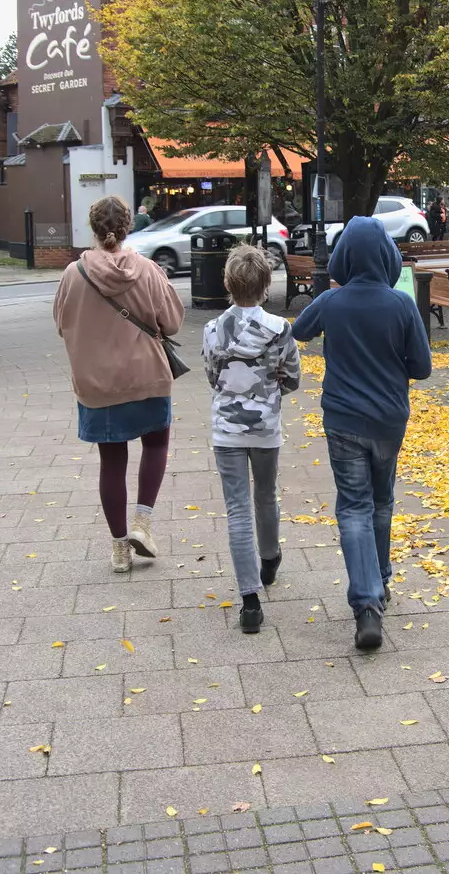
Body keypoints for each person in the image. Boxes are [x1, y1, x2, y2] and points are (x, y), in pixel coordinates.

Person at [293, 217, 433, 651]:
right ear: (388, 256)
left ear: (344, 257)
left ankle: (366, 603)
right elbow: (423, 368)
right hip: (389, 420)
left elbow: (299, 330)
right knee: (382, 500)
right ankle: (383, 580)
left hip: (343, 419)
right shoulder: (402, 304)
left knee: (353, 507)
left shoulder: (333, 302)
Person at [53, 196, 185, 574]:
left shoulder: (72, 274)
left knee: (112, 461)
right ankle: (142, 524)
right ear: (128, 227)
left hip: (98, 383)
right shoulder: (147, 270)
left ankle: (118, 549)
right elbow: (172, 323)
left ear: (93, 229)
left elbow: (62, 324)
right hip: (147, 375)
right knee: (156, 443)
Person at [204, 245, 302, 634]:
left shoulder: (213, 330)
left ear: (227, 283)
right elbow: (292, 378)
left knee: (237, 508)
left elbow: (213, 377)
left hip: (226, 430)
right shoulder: (280, 330)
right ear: (266, 285)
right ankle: (271, 557)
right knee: (266, 493)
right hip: (265, 428)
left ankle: (249, 600)